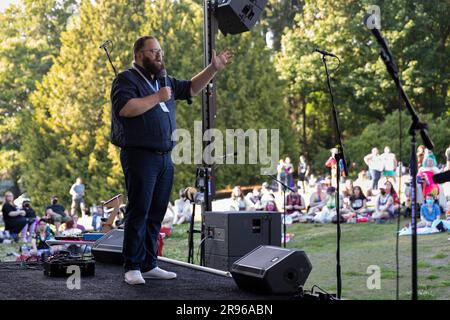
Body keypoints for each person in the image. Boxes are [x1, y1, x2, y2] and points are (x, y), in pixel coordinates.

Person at [110, 35, 232, 285]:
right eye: (152, 51)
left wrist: (213, 68)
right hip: (140, 155)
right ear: (138, 55)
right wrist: (157, 97)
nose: (159, 55)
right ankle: (132, 265)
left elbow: (190, 88)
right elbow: (125, 109)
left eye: (160, 51)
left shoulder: (162, 80)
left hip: (164, 157)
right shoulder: (126, 79)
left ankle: (149, 263)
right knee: (139, 210)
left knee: (157, 211)